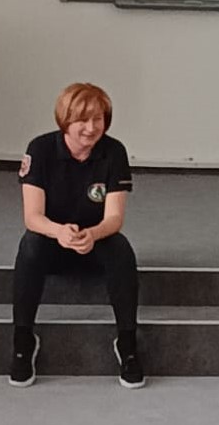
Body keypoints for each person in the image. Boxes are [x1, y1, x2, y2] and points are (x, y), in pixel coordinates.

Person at [10, 82, 145, 389]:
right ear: (65, 120)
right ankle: (22, 340)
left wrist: (92, 235)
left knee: (122, 250)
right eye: (82, 120)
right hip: (53, 241)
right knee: (30, 246)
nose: (91, 128)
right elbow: (32, 217)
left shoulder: (114, 151)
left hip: (94, 242)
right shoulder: (40, 149)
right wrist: (60, 232)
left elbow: (114, 218)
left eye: (98, 119)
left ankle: (127, 343)